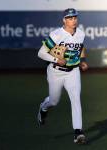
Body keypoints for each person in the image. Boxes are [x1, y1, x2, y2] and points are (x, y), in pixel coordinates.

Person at [37, 8, 88, 144]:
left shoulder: (81, 34)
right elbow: (41, 53)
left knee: (76, 99)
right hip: (55, 71)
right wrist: (56, 59)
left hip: (73, 72)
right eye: (70, 18)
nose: (73, 20)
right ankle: (43, 107)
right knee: (54, 101)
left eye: (75, 18)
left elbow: (80, 48)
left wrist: (82, 61)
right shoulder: (57, 34)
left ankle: (78, 132)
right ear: (64, 20)